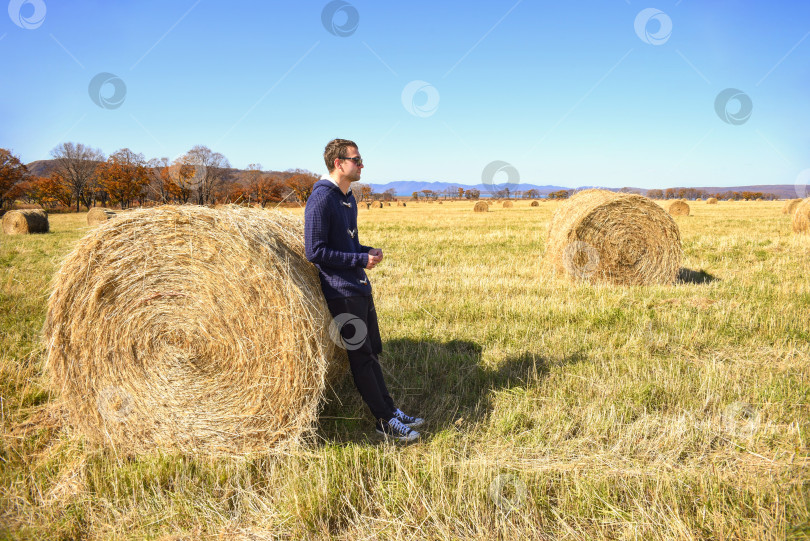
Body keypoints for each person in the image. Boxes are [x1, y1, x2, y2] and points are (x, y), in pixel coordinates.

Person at [305, 138, 423, 442]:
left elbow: (347, 245)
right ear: (338, 163)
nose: (361, 164)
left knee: (371, 353)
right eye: (356, 160)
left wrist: (366, 250)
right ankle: (383, 421)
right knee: (360, 357)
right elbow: (315, 251)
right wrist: (359, 259)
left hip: (358, 286)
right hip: (340, 292)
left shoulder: (348, 198)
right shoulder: (321, 199)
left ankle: (390, 410)